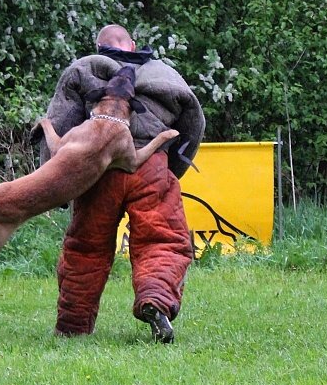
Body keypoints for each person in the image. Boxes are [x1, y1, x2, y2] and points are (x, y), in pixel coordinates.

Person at [39, 24, 205, 343]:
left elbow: (60, 121)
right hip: (151, 166)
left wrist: (56, 186)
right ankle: (156, 300)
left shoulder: (85, 69)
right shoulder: (166, 75)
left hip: (98, 168)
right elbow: (193, 125)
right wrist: (171, 169)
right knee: (162, 240)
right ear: (133, 44)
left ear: (99, 47)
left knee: (85, 247)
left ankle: (73, 324)